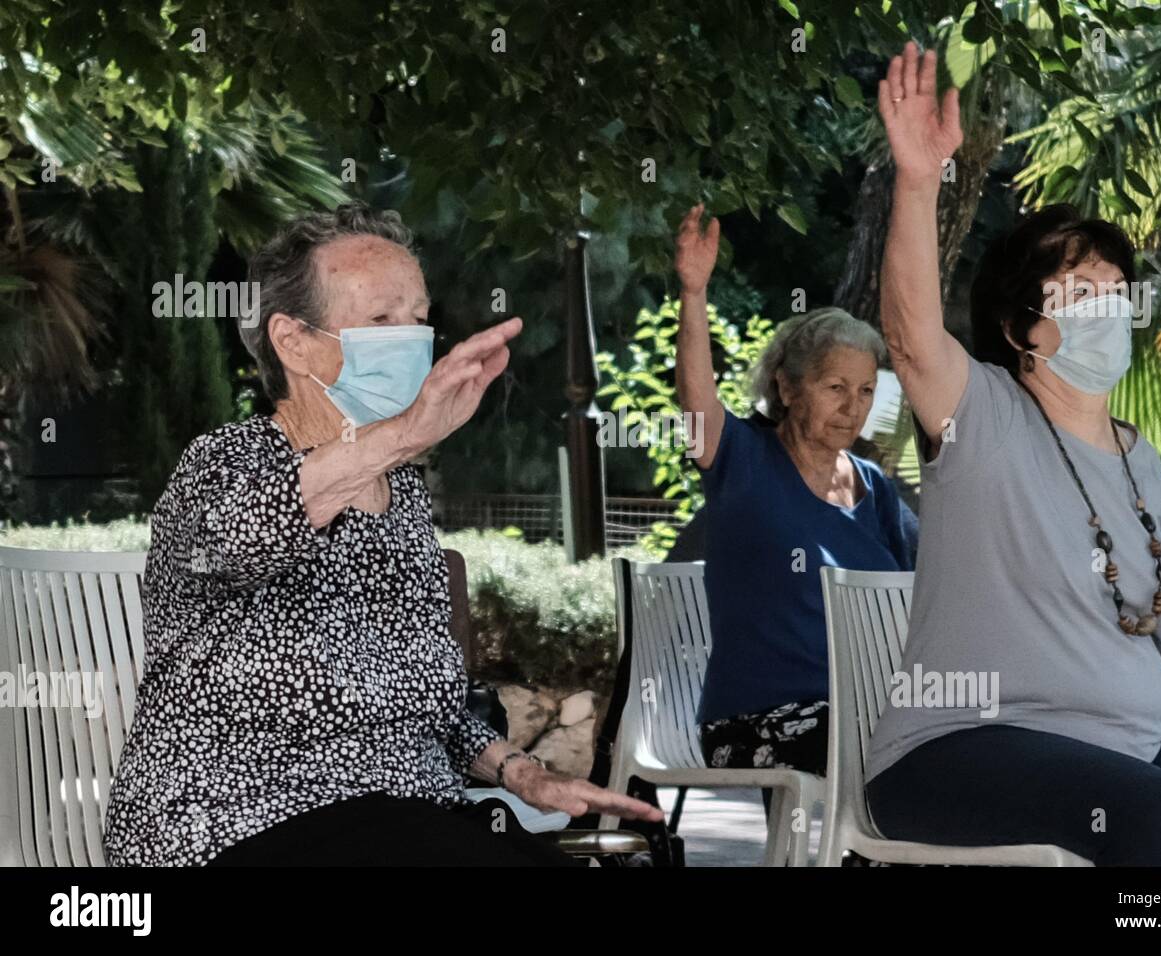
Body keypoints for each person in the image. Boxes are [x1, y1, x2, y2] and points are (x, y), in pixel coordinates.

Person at [103, 202, 661, 866]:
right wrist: (401, 437)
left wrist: (522, 773)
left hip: (402, 823)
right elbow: (241, 535)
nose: (411, 339)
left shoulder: (401, 501)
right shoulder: (224, 465)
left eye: (419, 319)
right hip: (232, 820)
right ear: (294, 341)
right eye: (380, 321)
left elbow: (425, 705)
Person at [864, 42, 1161, 865]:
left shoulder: (1142, 463)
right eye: (1076, 292)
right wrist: (920, 181)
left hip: (1127, 750)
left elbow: (1154, 644)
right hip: (957, 750)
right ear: (1018, 329)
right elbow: (913, 339)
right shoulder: (985, 415)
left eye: (1113, 290)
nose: (1105, 307)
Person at [673, 204, 917, 780]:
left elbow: (922, 592)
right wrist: (693, 291)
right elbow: (696, 402)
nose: (852, 406)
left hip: (866, 716)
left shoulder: (873, 488)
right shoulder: (743, 461)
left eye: (863, 391)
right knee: (898, 758)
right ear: (786, 385)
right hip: (757, 722)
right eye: (834, 387)